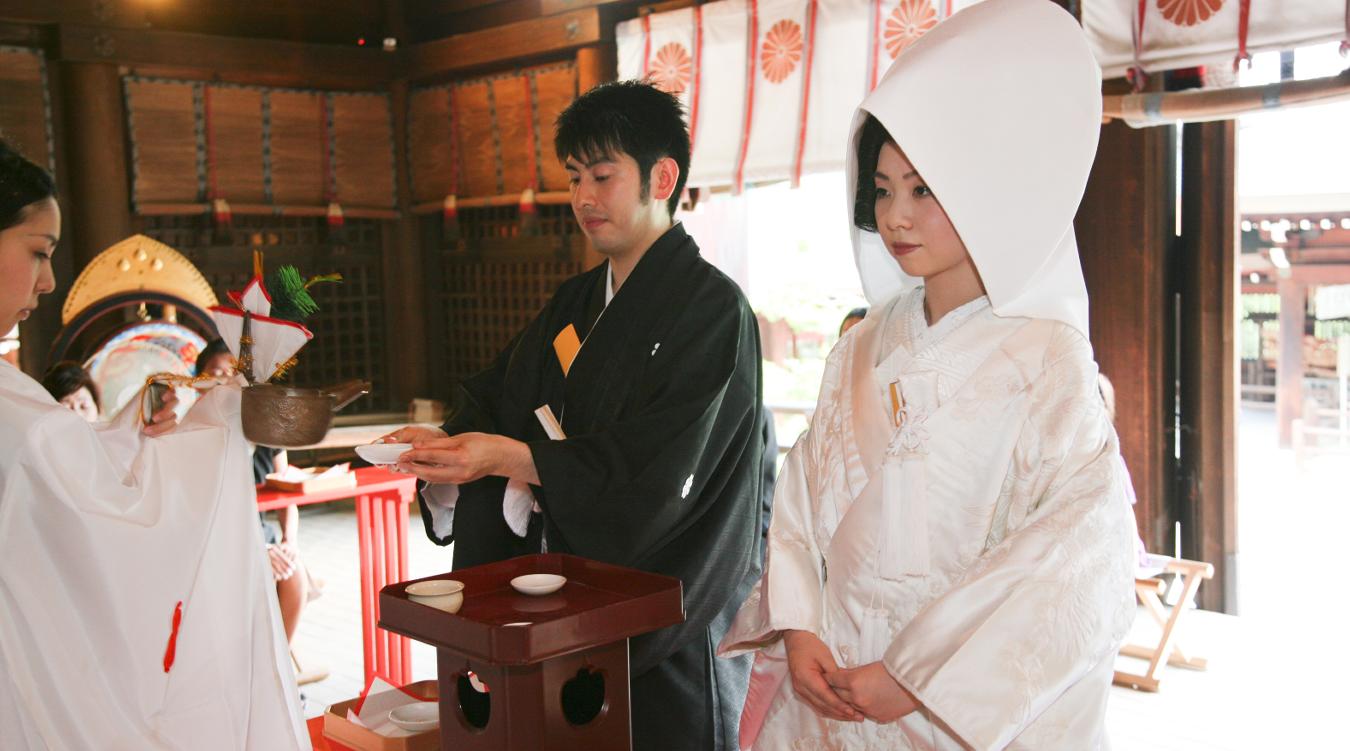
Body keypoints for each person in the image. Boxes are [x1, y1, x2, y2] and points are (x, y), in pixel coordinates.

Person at [717, 1, 1137, 748]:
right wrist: (802, 623)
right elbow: (804, 500)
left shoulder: (1049, 360)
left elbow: (1071, 557)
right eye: (882, 189)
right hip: (836, 680)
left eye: (922, 188)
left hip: (948, 708)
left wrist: (915, 673)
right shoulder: (861, 344)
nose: (896, 217)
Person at [385, 81, 765, 751]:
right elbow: (499, 393)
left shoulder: (712, 312)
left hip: (666, 616)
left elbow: (660, 466)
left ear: (662, 176)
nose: (584, 197)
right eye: (574, 178)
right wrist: (446, 444)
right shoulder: (575, 302)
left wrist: (512, 459)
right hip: (571, 609)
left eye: (603, 175)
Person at [0, 139, 307, 749]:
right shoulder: (21, 418)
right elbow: (115, 517)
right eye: (38, 252)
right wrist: (218, 423)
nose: (48, 280)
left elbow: (65, 472)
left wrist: (126, 426)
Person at [197, 339, 313, 646]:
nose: (225, 381)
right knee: (255, 573)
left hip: (260, 532)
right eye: (217, 372)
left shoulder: (267, 429)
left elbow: (285, 491)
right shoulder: (193, 435)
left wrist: (290, 542)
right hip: (215, 538)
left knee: (293, 570)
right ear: (197, 382)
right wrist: (258, 550)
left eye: (235, 375)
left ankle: (279, 663)